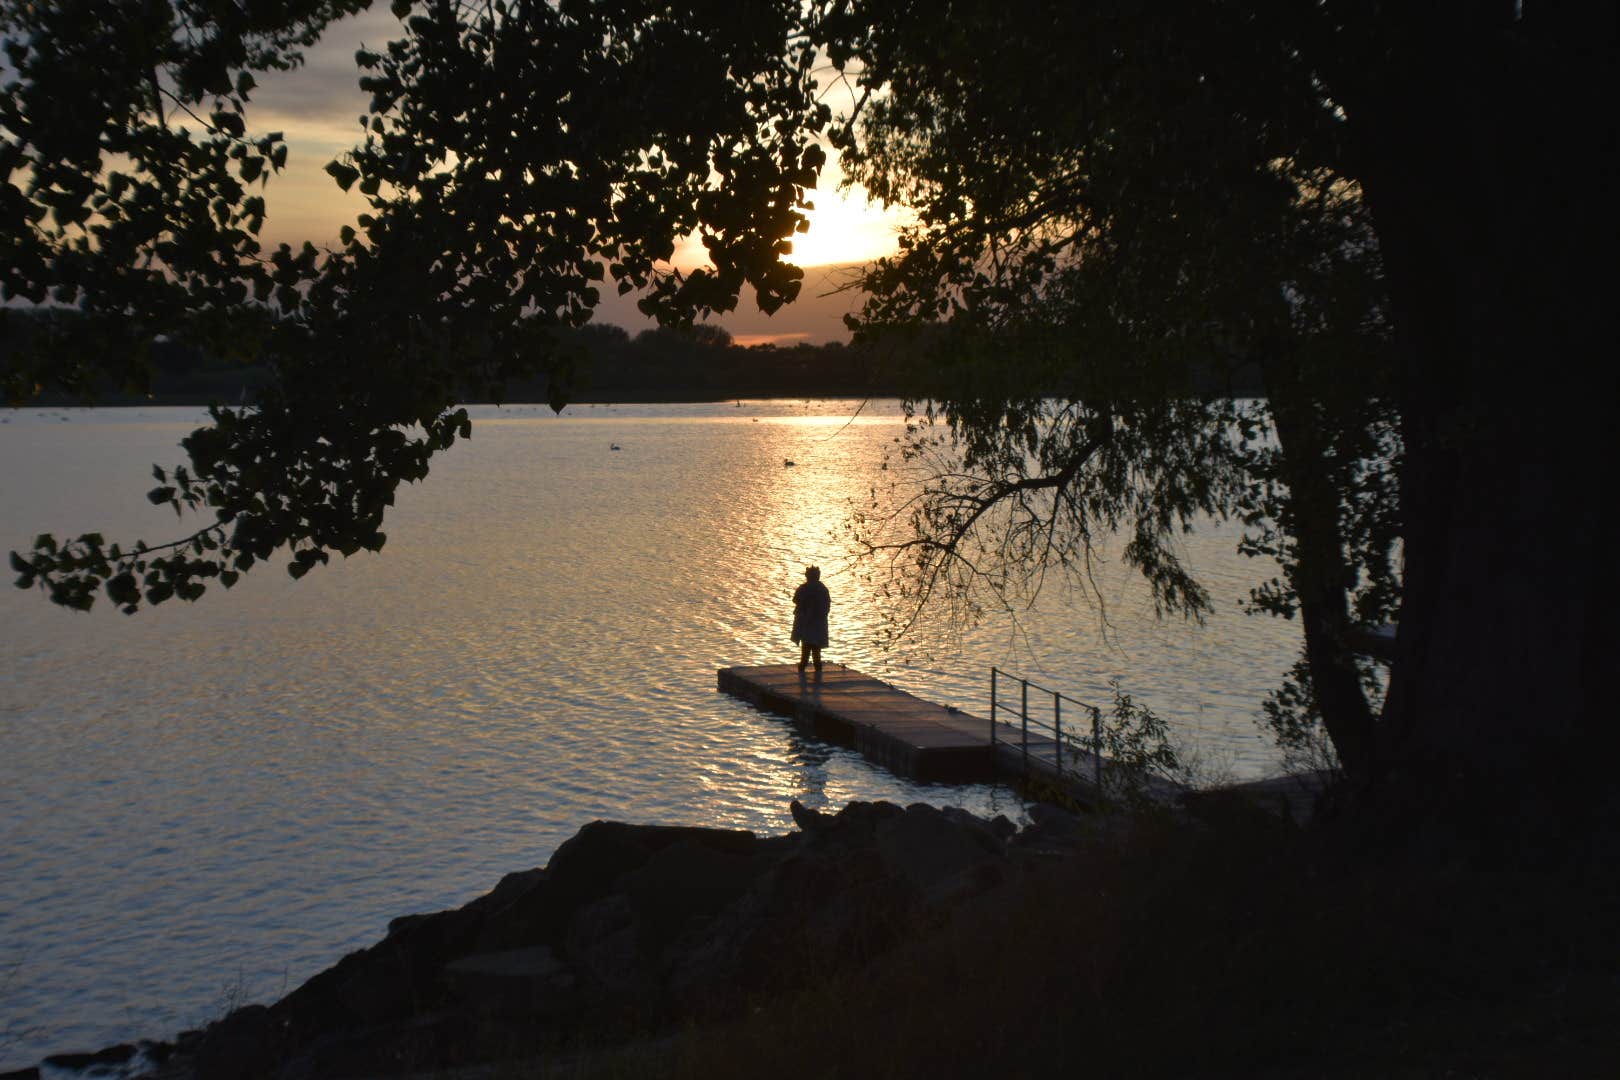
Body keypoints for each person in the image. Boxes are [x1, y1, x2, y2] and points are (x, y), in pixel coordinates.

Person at [791, 566, 831, 674]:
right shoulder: (821, 589)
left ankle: (805, 671)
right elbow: (796, 600)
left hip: (812, 624)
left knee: (809, 651)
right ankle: (814, 672)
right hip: (811, 624)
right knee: (813, 651)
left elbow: (795, 600)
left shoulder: (806, 588)